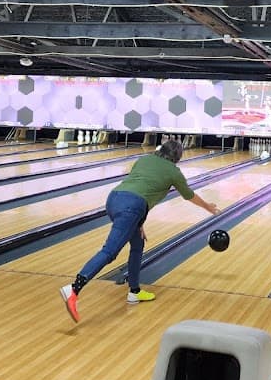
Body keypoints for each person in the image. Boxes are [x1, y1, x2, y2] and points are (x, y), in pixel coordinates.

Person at [59, 138, 219, 322]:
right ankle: (74, 289)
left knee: (137, 244)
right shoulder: (173, 172)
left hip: (114, 199)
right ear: (177, 156)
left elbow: (142, 188)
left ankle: (134, 291)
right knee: (110, 251)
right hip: (131, 209)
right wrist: (208, 207)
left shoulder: (144, 160)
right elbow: (188, 195)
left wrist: (139, 223)